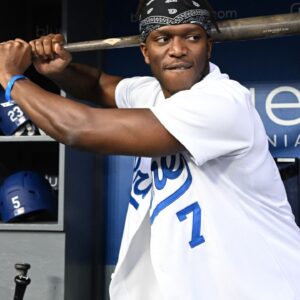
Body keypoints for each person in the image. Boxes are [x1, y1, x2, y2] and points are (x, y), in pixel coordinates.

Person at [0, 0, 299, 299]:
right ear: (146, 51)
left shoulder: (222, 103)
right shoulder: (152, 94)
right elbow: (98, 85)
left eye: (192, 37)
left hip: (261, 288)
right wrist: (61, 72)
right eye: (163, 39)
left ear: (209, 47)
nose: (178, 49)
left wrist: (12, 78)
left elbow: (79, 128)